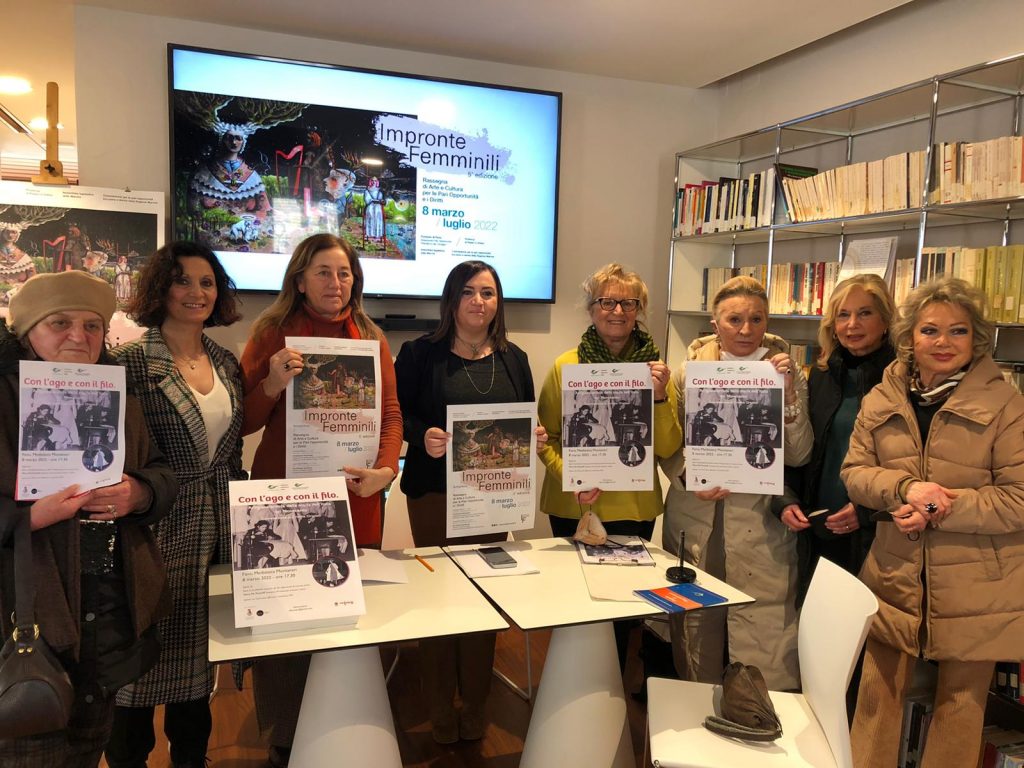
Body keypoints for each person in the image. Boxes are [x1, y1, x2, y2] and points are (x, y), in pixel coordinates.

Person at [842, 277, 1024, 768]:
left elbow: (1019, 499)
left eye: (958, 331)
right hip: (893, 575)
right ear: (909, 337)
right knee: (876, 700)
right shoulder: (882, 397)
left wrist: (941, 506)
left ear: (976, 338)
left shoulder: (1006, 405)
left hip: (977, 586)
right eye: (930, 330)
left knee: (960, 712)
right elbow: (854, 474)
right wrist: (903, 489)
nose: (944, 342)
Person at [0, 270, 176, 766]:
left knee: (87, 748)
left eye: (92, 325)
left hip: (106, 620)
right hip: (25, 625)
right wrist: (28, 518)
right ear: (28, 333)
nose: (79, 336)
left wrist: (139, 492)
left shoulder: (120, 397)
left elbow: (161, 471)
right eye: (60, 322)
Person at [240, 233, 402, 767]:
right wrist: (272, 382)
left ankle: (346, 724)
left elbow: (391, 413)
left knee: (345, 608)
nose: (336, 282)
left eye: (345, 273)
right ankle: (286, 738)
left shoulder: (371, 337)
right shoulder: (271, 332)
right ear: (300, 279)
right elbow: (244, 422)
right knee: (284, 617)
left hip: (356, 495)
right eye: (324, 272)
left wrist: (385, 471)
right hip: (282, 498)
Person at [103, 241, 246, 768]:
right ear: (160, 288)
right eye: (182, 280)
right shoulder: (130, 363)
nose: (196, 292)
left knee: (198, 663)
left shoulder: (226, 362)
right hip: (152, 527)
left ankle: (191, 758)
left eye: (207, 282)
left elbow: (234, 446)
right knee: (138, 664)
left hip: (217, 524)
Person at [395, 260, 541, 744]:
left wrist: (534, 435)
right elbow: (397, 415)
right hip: (434, 494)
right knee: (438, 599)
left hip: (492, 498)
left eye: (488, 293)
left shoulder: (515, 358)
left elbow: (524, 417)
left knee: (483, 597)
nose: (479, 301)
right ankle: (439, 708)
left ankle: (475, 703)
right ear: (451, 299)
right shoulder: (419, 353)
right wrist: (422, 435)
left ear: (498, 302)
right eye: (468, 292)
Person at [660, 275, 812, 690]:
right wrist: (689, 478)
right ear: (715, 323)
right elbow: (670, 445)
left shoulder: (787, 372)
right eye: (734, 319)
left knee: (763, 628)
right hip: (698, 515)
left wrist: (788, 395)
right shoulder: (687, 374)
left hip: (759, 520)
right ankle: (697, 711)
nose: (746, 329)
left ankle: (756, 712)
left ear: (767, 321)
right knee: (695, 623)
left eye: (756, 319)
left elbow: (799, 454)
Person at [537, 263, 681, 669]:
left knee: (623, 610)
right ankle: (570, 685)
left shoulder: (657, 372)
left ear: (639, 310)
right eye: (607, 301)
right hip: (575, 505)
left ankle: (612, 685)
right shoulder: (564, 367)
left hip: (633, 507)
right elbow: (545, 438)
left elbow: (668, 446)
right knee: (575, 605)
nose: (617, 311)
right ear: (591, 309)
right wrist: (571, 478)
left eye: (628, 303)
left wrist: (658, 397)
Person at [777, 274, 896, 601]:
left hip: (876, 533)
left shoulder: (901, 379)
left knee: (868, 622)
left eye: (865, 313)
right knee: (819, 620)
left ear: (886, 320)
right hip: (818, 527)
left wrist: (866, 512)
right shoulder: (822, 375)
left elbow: (909, 465)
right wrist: (785, 499)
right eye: (843, 315)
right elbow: (803, 445)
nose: (852, 324)